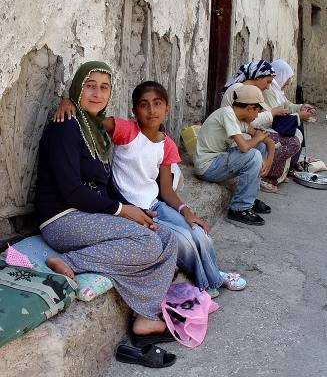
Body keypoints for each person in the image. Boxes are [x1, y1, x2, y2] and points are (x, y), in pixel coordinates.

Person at [54, 80, 247, 298]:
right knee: (183, 240)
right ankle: (208, 282)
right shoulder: (126, 130)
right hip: (132, 208)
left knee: (198, 233)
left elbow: (165, 190)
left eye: (157, 103)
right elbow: (91, 118)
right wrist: (67, 100)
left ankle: (215, 275)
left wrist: (186, 211)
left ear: (167, 108)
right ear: (134, 110)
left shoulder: (167, 144)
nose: (151, 110)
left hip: (155, 204)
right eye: (144, 105)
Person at [35, 61, 178, 341]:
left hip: (91, 215)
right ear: (78, 88)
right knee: (147, 243)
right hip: (62, 219)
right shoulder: (64, 127)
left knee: (167, 237)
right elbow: (71, 191)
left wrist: (135, 210)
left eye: (104, 87)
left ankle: (145, 316)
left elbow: (107, 184)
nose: (97, 93)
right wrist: (123, 211)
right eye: (90, 86)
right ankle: (68, 261)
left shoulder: (96, 131)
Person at [194, 84, 275, 226]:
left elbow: (266, 141)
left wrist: (268, 161)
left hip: (219, 159)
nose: (257, 115)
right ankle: (239, 208)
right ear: (250, 108)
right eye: (258, 110)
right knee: (254, 154)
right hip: (207, 166)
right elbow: (244, 147)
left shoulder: (240, 120)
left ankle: (249, 196)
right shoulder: (227, 113)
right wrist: (258, 139)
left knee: (260, 147)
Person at [221, 60, 304, 192]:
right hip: (235, 133)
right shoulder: (241, 90)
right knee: (263, 145)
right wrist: (273, 113)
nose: (268, 87)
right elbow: (251, 119)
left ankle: (257, 184)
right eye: (267, 82)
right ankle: (260, 182)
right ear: (258, 77)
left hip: (244, 128)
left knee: (270, 141)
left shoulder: (251, 90)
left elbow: (254, 116)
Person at [267, 59, 316, 174]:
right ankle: (284, 168)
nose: (287, 83)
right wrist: (298, 116)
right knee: (295, 124)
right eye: (286, 80)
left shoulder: (277, 91)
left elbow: (287, 105)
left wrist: (301, 107)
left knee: (298, 121)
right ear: (280, 76)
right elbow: (276, 117)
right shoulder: (268, 91)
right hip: (270, 124)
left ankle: (293, 163)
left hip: (277, 121)